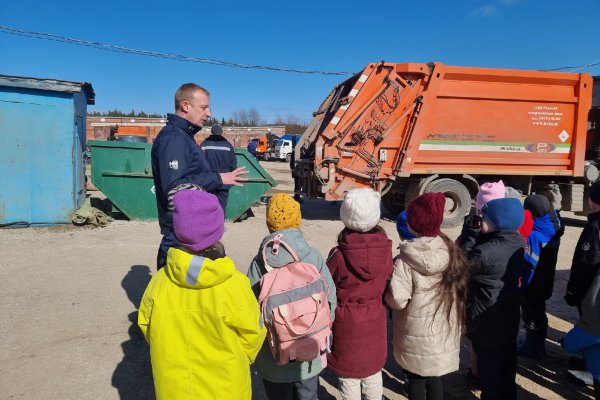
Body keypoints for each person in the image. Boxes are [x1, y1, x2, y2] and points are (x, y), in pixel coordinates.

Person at [137, 189, 266, 400]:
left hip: (173, 389)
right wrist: (239, 356)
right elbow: (254, 333)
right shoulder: (234, 284)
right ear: (217, 231)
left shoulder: (159, 282)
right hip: (226, 388)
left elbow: (147, 327)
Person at [247, 193, 337, 400]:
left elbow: (252, 313)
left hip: (275, 359)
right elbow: (330, 300)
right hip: (310, 355)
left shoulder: (258, 263)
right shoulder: (312, 256)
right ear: (298, 221)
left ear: (269, 224)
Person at [151, 83, 248, 269]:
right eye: (204, 107)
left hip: (188, 232)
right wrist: (219, 179)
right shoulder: (174, 139)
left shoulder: (184, 136)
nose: (209, 113)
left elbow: (191, 176)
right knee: (176, 294)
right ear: (186, 106)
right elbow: (175, 189)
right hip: (181, 235)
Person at [386, 192, 470, 400]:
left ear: (413, 225)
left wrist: (386, 294)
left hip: (416, 334)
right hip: (442, 331)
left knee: (416, 379)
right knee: (434, 378)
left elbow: (397, 299)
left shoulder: (406, 259)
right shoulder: (450, 251)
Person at [326, 188, 393, 400]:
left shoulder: (339, 255)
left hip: (346, 323)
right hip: (375, 318)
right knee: (373, 374)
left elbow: (327, 284)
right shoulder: (386, 250)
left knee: (349, 378)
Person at [461, 197, 525, 400]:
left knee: (490, 372)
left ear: (497, 222)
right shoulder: (516, 240)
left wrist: (469, 236)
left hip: (486, 321)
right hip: (508, 314)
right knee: (507, 365)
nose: (480, 219)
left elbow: (460, 268)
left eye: (484, 217)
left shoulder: (486, 254)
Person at [563, 180, 600, 398]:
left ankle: (589, 370)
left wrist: (573, 294)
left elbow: (584, 265)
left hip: (592, 296)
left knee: (591, 329)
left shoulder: (594, 228)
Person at [518, 194, 561, 360]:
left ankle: (533, 347)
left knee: (532, 315)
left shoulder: (535, 236)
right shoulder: (553, 226)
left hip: (533, 285)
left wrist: (522, 287)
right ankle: (535, 343)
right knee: (539, 312)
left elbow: (529, 265)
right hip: (545, 280)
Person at [200, 124, 237, 213]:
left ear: (212, 132)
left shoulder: (204, 145)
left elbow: (199, 163)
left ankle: (209, 223)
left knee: (208, 203)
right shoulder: (228, 146)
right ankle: (220, 223)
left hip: (209, 180)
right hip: (224, 180)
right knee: (222, 203)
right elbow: (233, 163)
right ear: (221, 132)